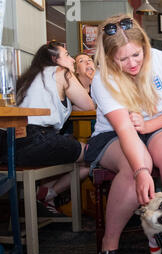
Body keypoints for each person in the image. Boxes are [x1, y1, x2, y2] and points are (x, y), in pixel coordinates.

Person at [84, 15, 162, 254]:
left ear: (144, 45)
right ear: (110, 59)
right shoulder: (102, 78)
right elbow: (124, 129)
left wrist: (148, 125)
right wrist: (142, 170)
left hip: (159, 124)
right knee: (134, 165)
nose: (132, 63)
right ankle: (109, 245)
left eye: (137, 54)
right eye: (123, 59)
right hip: (112, 133)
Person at [0, 41, 95, 216]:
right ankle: (48, 193)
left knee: (76, 154)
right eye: (66, 55)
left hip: (9, 147)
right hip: (37, 141)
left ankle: (45, 194)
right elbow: (88, 105)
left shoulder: (27, 78)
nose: (72, 60)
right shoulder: (61, 72)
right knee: (94, 154)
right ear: (54, 59)